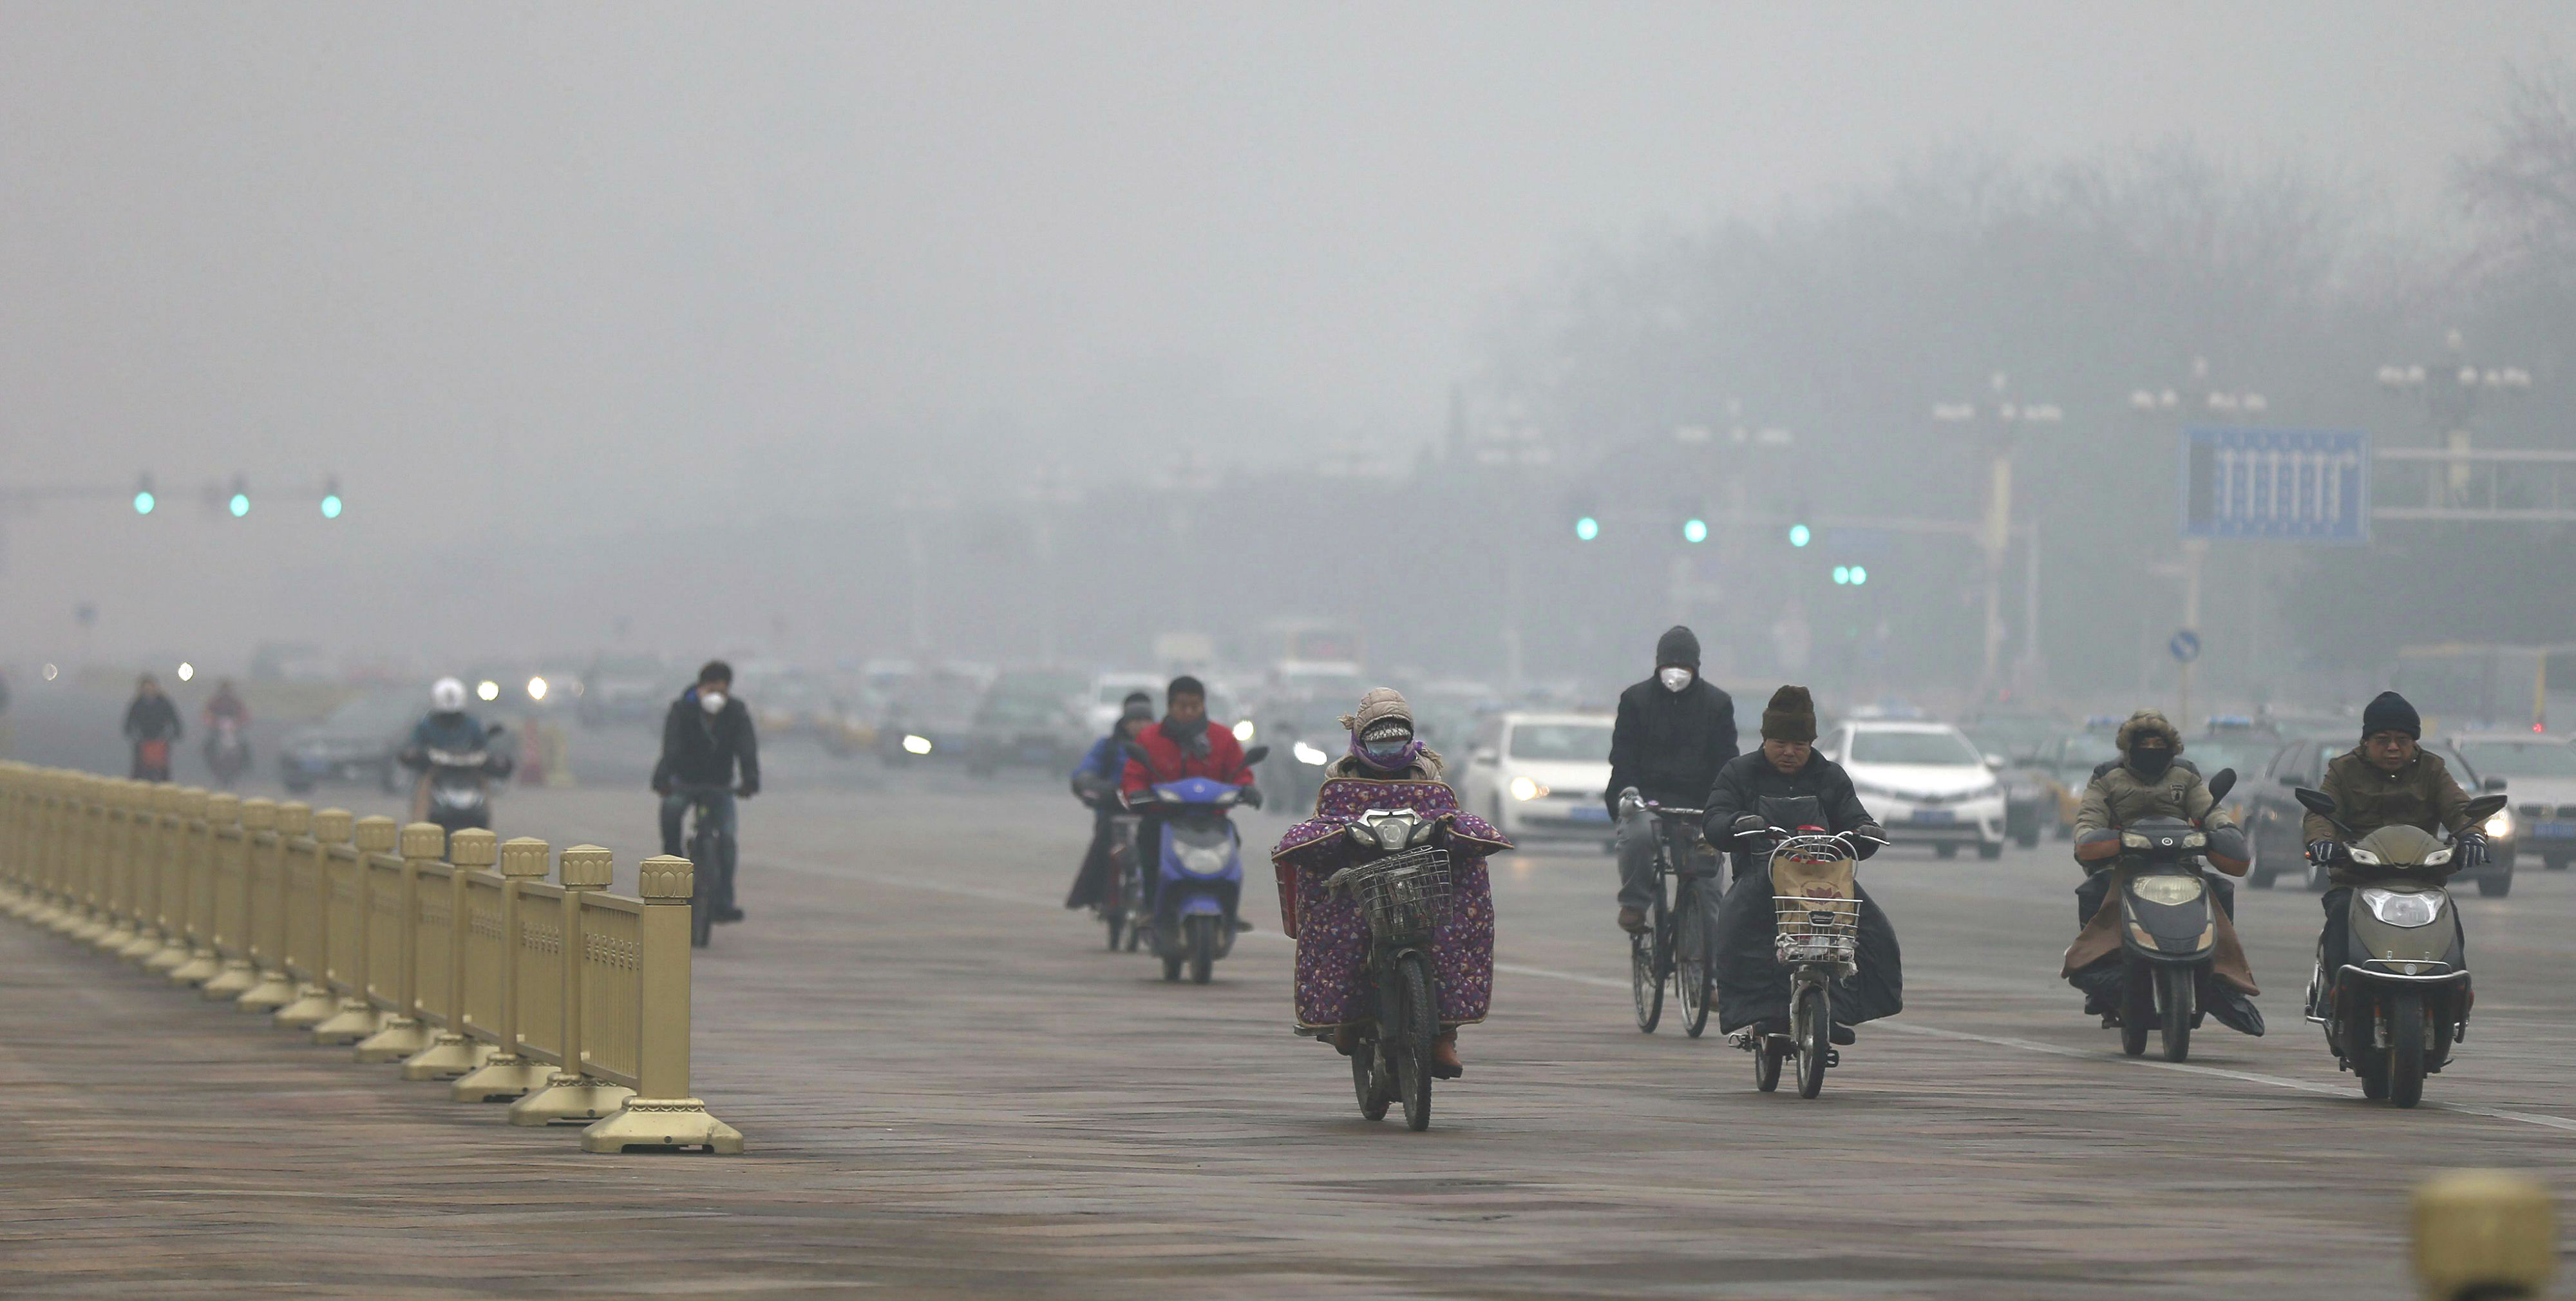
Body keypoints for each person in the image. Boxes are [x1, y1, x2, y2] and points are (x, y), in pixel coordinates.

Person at [1271, 688, 1510, 1077]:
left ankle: (1444, 1035)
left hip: (1420, 875)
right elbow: (1322, 823)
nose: (1389, 753)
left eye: (1398, 741)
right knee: (1343, 932)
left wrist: (1444, 829)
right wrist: (1341, 836)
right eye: (1379, 744)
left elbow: (1448, 812)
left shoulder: (1427, 773)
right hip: (1360, 878)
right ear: (1360, 741)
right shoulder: (1340, 776)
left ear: (1411, 739)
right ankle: (1346, 1016)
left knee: (1449, 932)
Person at [1700, 685, 1897, 1045]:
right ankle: (1757, 1013)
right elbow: (1715, 819)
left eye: (1800, 746)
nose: (1790, 753)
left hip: (1826, 880)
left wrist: (1864, 833)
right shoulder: (1739, 773)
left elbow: (1855, 818)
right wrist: (1734, 825)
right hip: (1762, 879)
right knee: (1736, 929)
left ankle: (1834, 1010)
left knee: (1873, 931)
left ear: (1811, 745)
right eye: (1781, 744)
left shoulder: (1829, 776)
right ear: (1765, 739)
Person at [2060, 709, 2261, 1034]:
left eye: (2159, 743)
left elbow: (2212, 812)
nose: (2152, 749)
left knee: (2222, 889)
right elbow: (2088, 823)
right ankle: (2099, 971)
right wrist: (2096, 837)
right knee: (2093, 891)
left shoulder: (2187, 776)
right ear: (2129, 746)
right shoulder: (2105, 777)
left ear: (2172, 746)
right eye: (2145, 743)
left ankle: (2221, 975)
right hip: (2123, 870)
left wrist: (2222, 831)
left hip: (2183, 868)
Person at [2300, 690, 2480, 1009]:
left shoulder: (2434, 769)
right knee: (2340, 916)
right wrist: (2322, 842)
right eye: (2383, 739)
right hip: (2356, 880)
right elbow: (2320, 814)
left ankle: (2455, 994)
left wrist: (2473, 836)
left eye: (2402, 739)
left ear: (2414, 742)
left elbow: (2461, 808)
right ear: (2367, 742)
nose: (2393, 747)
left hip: (2423, 881)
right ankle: (2338, 994)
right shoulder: (2342, 770)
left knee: (2449, 917)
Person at [1606, 626, 1738, 933]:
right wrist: (1628, 793)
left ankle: (1705, 969)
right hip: (1646, 801)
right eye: (1669, 667)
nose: (1676, 675)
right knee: (1637, 836)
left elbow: (1726, 761)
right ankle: (1635, 904)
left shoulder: (1717, 704)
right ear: (1658, 666)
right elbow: (1623, 756)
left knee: (1707, 884)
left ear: (1696, 668)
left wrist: (1723, 805)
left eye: (1684, 668)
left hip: (1698, 806)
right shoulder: (1635, 700)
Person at [1121, 676, 1258, 931]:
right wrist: (1136, 793)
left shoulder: (1223, 738)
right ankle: (1151, 907)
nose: (1189, 712)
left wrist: (1248, 788)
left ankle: (1229, 908)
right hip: (1163, 818)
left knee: (1233, 841)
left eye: (1195, 706)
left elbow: (1239, 771)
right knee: (1148, 841)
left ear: (1203, 706)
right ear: (1170, 706)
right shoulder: (1149, 739)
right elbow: (1134, 775)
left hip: (1211, 818)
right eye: (1182, 706)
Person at [652, 661, 761, 924]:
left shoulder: (736, 713)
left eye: (721, 692)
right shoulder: (682, 710)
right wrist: (663, 778)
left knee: (727, 839)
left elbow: (747, 749)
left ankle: (724, 901)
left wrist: (749, 781)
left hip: (720, 786)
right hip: (685, 782)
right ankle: (673, 878)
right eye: (711, 689)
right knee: (671, 813)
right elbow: (671, 748)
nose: (716, 697)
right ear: (700, 688)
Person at [1065, 691, 1156, 910]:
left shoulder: (1163, 747)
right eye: (1135, 720)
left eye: (1146, 720)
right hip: (1115, 811)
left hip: (1151, 810)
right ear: (1125, 722)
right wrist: (1093, 786)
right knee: (1106, 846)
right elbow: (1086, 770)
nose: (1140, 725)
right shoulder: (1108, 747)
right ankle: (1096, 896)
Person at [402, 676, 505, 821]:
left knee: (483, 783)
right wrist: (414, 754)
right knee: (424, 784)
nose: (450, 721)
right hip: (437, 769)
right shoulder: (426, 725)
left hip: (469, 770)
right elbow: (415, 745)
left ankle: (485, 819)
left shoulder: (472, 724)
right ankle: (420, 825)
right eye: (445, 718)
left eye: (454, 717)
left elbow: (482, 744)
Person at [122, 674, 182, 782]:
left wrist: (174, 734)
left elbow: (174, 719)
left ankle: (165, 790)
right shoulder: (137, 703)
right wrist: (133, 735)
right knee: (139, 768)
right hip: (142, 740)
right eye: (146, 688)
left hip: (161, 740)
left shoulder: (164, 702)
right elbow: (129, 721)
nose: (149, 690)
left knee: (163, 768)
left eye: (151, 687)